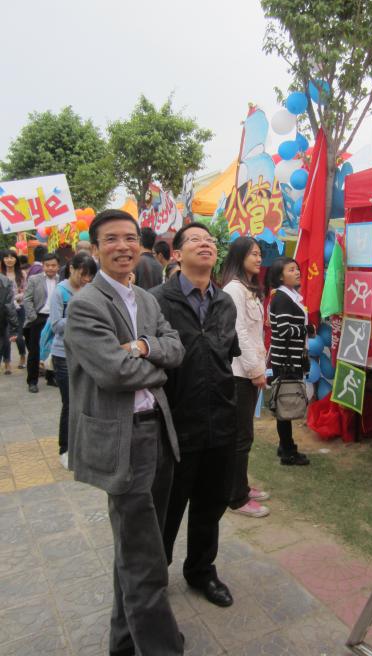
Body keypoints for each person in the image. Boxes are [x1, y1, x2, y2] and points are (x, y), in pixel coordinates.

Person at [64, 209, 185, 656]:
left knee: (138, 550)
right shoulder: (86, 305)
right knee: (145, 559)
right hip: (123, 441)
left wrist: (143, 347)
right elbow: (115, 373)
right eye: (111, 239)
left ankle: (123, 643)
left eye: (130, 238)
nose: (123, 246)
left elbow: (176, 348)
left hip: (158, 433)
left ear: (140, 245)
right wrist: (158, 368)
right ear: (95, 249)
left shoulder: (148, 301)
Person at [151, 222, 240, 608]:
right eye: (195, 240)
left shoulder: (225, 303)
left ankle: (201, 570)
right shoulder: (157, 301)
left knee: (211, 504)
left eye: (210, 240)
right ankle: (154, 580)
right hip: (174, 424)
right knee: (167, 509)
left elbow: (226, 357)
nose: (205, 244)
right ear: (176, 254)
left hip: (220, 420)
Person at [222, 236, 269, 518]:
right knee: (241, 437)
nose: (259, 259)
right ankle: (236, 497)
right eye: (253, 254)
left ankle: (240, 486)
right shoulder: (233, 289)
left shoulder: (248, 288)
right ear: (240, 257)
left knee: (244, 435)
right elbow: (237, 333)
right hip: (240, 374)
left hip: (248, 372)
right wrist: (255, 370)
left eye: (260, 254)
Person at [50, 253, 98, 469]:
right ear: (72, 269)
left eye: (90, 275)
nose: (86, 279)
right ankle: (65, 449)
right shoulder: (60, 292)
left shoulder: (91, 290)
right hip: (63, 354)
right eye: (83, 274)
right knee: (70, 403)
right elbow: (56, 325)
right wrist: (79, 317)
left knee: (87, 402)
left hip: (87, 353)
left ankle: (84, 447)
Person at [266, 256, 314, 466]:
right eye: (291, 270)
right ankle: (288, 451)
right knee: (285, 404)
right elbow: (283, 330)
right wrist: (306, 329)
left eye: (297, 269)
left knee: (285, 403)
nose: (297, 272)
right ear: (280, 276)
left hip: (288, 358)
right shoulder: (283, 298)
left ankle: (285, 445)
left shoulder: (289, 296)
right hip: (285, 361)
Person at [23, 252, 60, 392]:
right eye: (47, 265)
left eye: (53, 265)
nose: (50, 268)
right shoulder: (34, 279)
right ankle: (32, 381)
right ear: (43, 266)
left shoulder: (61, 280)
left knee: (53, 348)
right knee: (35, 350)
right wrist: (33, 317)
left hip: (54, 318)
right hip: (38, 318)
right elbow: (27, 299)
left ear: (58, 266)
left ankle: (51, 377)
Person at [0, 249, 27, 372]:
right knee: (5, 337)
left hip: (19, 308)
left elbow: (26, 291)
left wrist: (15, 298)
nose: (9, 260)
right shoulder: (1, 274)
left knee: (19, 336)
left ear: (16, 259)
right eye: (6, 257)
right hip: (4, 309)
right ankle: (7, 362)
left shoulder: (22, 274)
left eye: (12, 257)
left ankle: (22, 355)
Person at [0, 271, 18, 366]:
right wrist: (14, 328)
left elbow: (9, 306)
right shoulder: (5, 281)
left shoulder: (5, 281)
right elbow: (9, 306)